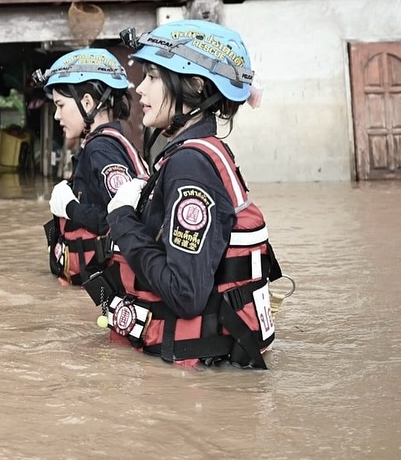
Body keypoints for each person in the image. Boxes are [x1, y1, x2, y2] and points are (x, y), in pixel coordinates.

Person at [92, 20, 281, 369]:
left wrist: (121, 219)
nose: (139, 90)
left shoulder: (189, 165)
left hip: (196, 378)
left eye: (151, 77)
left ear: (194, 86)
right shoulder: (200, 152)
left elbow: (186, 294)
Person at [41, 49, 148, 287]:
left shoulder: (101, 149)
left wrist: (69, 208)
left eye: (60, 105)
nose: (57, 115)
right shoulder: (108, 142)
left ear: (87, 102)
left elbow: (122, 220)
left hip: (105, 284)